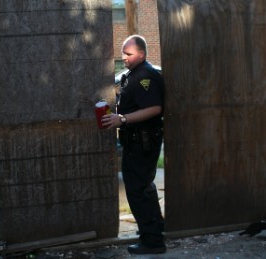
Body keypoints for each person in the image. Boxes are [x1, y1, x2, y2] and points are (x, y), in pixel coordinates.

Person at [101, 35, 165, 254]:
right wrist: (117, 115)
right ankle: (155, 229)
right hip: (138, 142)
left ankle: (152, 241)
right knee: (145, 186)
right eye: (123, 53)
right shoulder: (133, 75)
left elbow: (155, 108)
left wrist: (123, 120)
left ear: (142, 54)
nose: (124, 58)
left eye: (128, 54)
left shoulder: (145, 76)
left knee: (137, 190)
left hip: (142, 143)